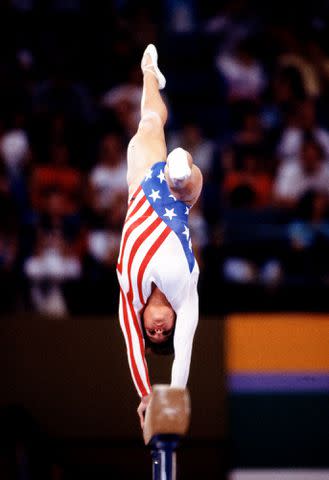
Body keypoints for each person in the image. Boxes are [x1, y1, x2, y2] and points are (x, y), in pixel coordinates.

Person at [116, 44, 203, 428]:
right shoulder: (186, 300)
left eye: (151, 335)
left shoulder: (128, 299)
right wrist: (171, 396)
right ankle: (182, 168)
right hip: (179, 198)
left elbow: (133, 347)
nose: (156, 331)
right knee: (183, 176)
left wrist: (147, 394)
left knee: (149, 123)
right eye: (161, 333)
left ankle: (150, 72)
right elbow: (182, 354)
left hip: (142, 185)